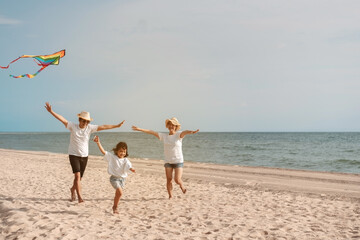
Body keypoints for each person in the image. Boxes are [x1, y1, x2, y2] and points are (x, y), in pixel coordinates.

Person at [44, 102, 125, 203]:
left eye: (87, 122)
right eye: (83, 121)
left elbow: (103, 126)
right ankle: (80, 197)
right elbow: (62, 119)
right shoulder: (72, 126)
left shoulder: (89, 128)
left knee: (79, 178)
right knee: (77, 176)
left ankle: (72, 190)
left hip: (84, 156)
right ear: (79, 120)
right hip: (74, 155)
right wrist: (51, 111)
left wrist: (117, 126)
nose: (85, 123)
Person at [132, 117, 199, 199]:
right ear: (167, 126)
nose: (171, 126)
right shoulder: (164, 136)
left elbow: (185, 132)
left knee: (177, 180)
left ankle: (182, 186)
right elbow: (152, 132)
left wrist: (191, 132)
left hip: (178, 161)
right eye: (170, 125)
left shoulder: (178, 135)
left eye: (173, 125)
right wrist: (140, 129)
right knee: (169, 179)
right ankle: (170, 196)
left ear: (176, 127)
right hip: (168, 161)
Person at [93, 136, 135, 214]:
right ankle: (115, 207)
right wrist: (98, 143)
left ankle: (115, 206)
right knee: (120, 193)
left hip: (122, 180)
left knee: (118, 194)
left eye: (124, 151)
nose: (122, 153)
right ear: (117, 151)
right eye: (121, 151)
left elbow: (129, 166)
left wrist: (131, 169)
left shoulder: (126, 160)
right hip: (114, 179)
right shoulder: (112, 157)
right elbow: (104, 152)